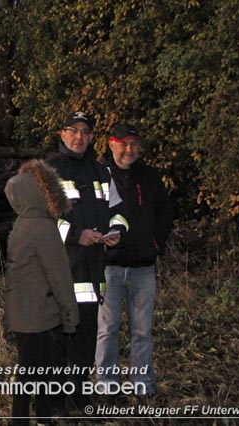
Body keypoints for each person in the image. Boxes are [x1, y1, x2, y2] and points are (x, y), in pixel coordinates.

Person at [47, 111, 129, 410]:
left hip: (93, 271)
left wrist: (116, 231)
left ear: (92, 137)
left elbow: (119, 211)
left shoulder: (102, 172)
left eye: (85, 131)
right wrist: (75, 235)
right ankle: (56, 402)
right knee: (58, 339)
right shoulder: (48, 171)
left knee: (85, 339)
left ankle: (78, 397)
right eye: (73, 130)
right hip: (59, 269)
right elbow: (40, 220)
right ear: (62, 134)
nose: (79, 137)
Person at [95, 122, 174, 396]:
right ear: (111, 144)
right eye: (123, 143)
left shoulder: (150, 177)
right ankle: (107, 386)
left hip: (143, 266)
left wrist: (155, 245)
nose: (129, 149)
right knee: (107, 329)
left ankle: (142, 386)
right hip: (110, 266)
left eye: (134, 144)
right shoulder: (98, 175)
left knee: (142, 331)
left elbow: (165, 213)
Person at [4, 159, 79, 426]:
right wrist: (71, 316)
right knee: (44, 372)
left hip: (22, 314)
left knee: (26, 371)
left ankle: (21, 418)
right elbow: (60, 276)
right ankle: (41, 418)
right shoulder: (44, 229)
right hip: (43, 316)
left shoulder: (20, 225)